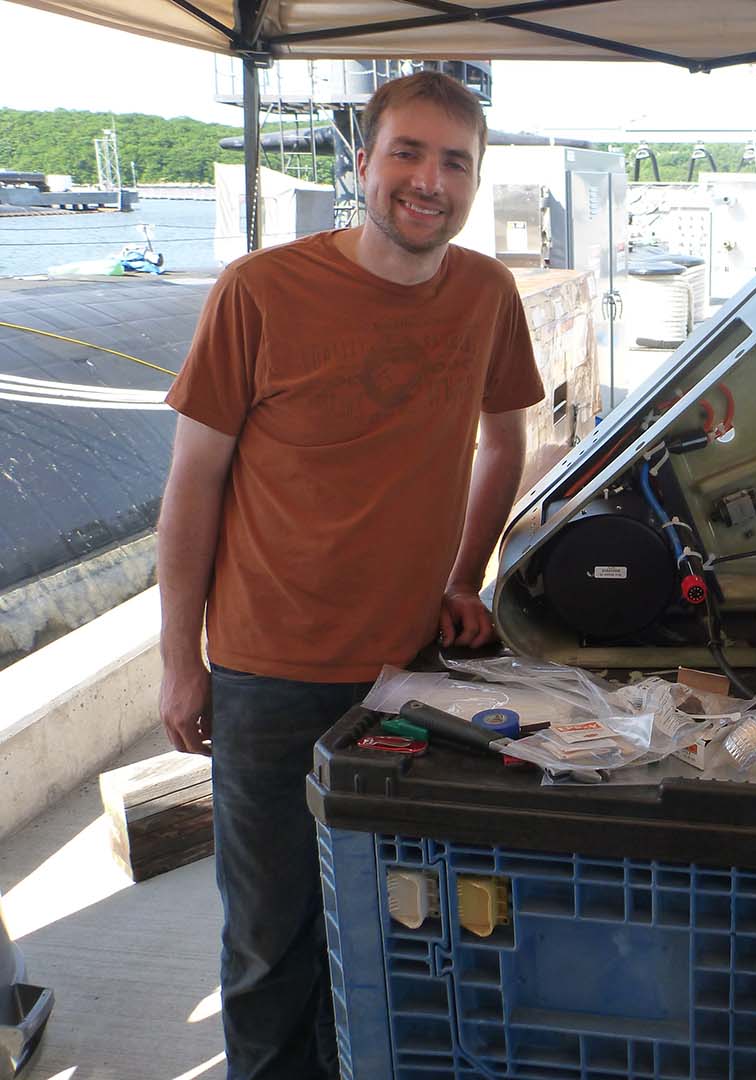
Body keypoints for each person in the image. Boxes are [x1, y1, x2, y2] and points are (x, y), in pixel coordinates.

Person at [156, 71, 543, 1079]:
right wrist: (178, 663)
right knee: (269, 945)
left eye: (454, 161)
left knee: (400, 931)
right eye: (406, 153)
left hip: (408, 674)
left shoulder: (487, 296)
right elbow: (192, 486)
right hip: (266, 673)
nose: (428, 181)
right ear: (361, 162)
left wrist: (466, 580)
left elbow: (506, 445)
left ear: (476, 180)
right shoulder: (258, 290)